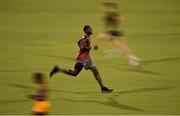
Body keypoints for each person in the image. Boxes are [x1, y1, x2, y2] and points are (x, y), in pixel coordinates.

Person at [50, 25, 113, 93]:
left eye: (91, 29)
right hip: (84, 58)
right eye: (89, 29)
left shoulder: (86, 37)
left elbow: (79, 43)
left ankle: (58, 69)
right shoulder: (85, 37)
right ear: (86, 30)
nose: (91, 30)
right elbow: (81, 47)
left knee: (75, 73)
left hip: (83, 58)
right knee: (95, 71)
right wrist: (92, 48)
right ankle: (103, 88)